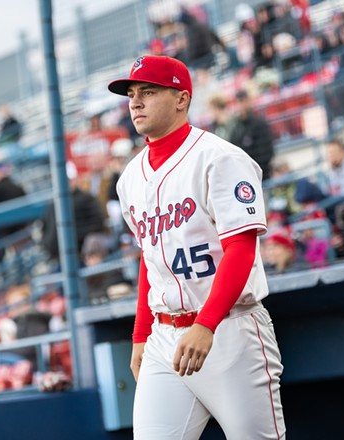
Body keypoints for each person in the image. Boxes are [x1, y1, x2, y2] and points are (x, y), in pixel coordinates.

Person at [108, 55, 285, 439]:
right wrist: (141, 335)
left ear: (181, 99)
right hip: (164, 337)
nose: (135, 102)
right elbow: (149, 260)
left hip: (230, 330)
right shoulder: (130, 179)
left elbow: (241, 248)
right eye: (131, 94)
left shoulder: (221, 159)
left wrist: (207, 323)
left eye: (148, 92)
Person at [228, 89, 275, 181]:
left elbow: (266, 153)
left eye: (243, 101)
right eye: (238, 102)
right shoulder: (235, 129)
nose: (241, 106)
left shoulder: (260, 125)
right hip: (244, 178)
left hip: (262, 177)